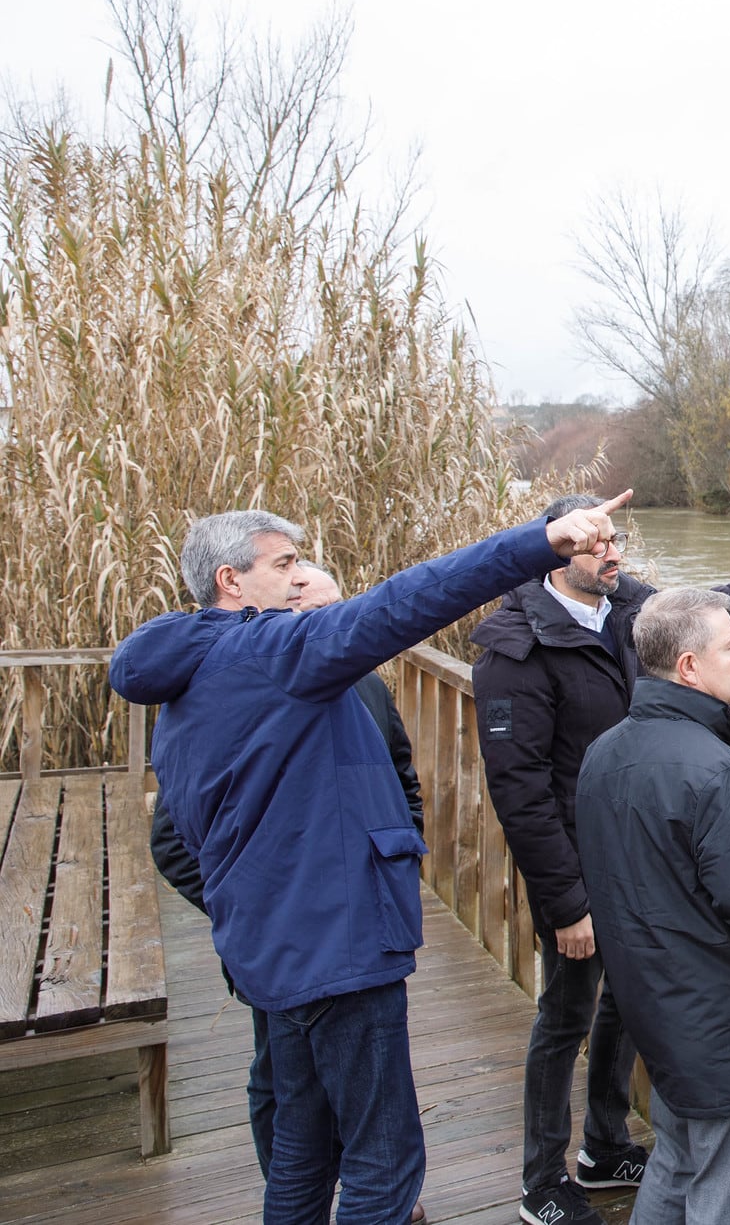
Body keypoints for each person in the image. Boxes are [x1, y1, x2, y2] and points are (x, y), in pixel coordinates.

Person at [111, 494, 632, 1225]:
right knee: (384, 1166)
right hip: (337, 950)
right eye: (285, 564)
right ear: (232, 582)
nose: (298, 581)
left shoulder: (183, 677)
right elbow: (410, 598)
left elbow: (191, 831)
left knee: (300, 1151)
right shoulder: (275, 653)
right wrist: (542, 541)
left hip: (269, 951)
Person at [469, 493, 730, 1225]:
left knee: (642, 1036)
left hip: (643, 868)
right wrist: (567, 900)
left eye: (615, 539)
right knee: (566, 1018)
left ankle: (602, 1143)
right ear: (556, 550)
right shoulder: (516, 646)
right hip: (590, 871)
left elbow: (720, 608)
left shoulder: (632, 613)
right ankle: (542, 1176)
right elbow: (521, 790)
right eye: (598, 543)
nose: (614, 553)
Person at [147, 564, 423, 1223]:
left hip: (361, 928)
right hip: (284, 944)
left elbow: (402, 781)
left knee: (339, 1131)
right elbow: (173, 838)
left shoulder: (365, 684)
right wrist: (252, 905)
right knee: (304, 1113)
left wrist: (392, 873)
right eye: (313, 611)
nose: (332, 626)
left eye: (339, 611)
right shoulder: (248, 689)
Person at [575, 587, 730, 1225]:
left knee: (676, 1163)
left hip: (657, 1009)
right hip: (725, 1027)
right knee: (724, 1199)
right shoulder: (718, 774)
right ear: (689, 667)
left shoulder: (604, 753)